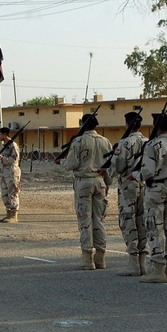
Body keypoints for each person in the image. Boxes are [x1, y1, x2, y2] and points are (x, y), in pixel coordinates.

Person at [137, 112, 167, 284]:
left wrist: (136, 175)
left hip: (156, 187)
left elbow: (148, 171)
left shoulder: (152, 145)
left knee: (154, 226)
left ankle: (158, 269)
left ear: (156, 127)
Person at [61, 113, 112, 269]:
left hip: (84, 181)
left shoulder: (78, 141)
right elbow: (109, 165)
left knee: (85, 221)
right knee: (99, 220)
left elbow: (71, 164)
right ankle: (100, 258)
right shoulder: (106, 142)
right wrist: (107, 184)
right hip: (100, 182)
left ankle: (87, 259)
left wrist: (62, 161)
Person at [108, 111, 148, 276]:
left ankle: (133, 264)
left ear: (127, 124)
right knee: (142, 220)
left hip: (128, 184)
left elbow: (117, 167)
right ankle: (143, 263)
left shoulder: (124, 143)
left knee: (128, 220)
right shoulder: (148, 142)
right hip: (145, 184)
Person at [0, 126, 21, 223]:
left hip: (11, 172)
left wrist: (3, 158)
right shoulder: (4, 145)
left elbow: (14, 159)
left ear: (5, 134)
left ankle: (14, 215)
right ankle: (8, 213)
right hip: (4, 172)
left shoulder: (12, 145)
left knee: (13, 193)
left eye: (0, 134)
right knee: (5, 194)